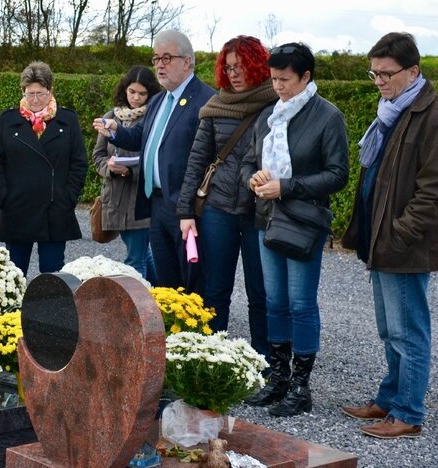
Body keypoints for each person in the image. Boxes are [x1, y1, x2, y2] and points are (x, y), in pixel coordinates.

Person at [241, 42, 348, 417]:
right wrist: (253, 178)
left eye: (284, 80)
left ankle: (301, 388)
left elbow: (338, 175)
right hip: (266, 218)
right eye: (273, 80)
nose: (278, 87)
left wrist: (286, 186)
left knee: (301, 304)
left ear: (306, 77)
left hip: (303, 223)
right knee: (274, 302)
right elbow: (247, 162)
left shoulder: (327, 116)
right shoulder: (269, 115)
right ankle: (279, 379)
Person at [341, 32, 438, 439]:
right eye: (373, 73)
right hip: (381, 239)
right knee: (387, 328)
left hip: (403, 244)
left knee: (408, 330)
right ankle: (390, 397)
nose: (378, 81)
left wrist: (401, 233)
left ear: (413, 71)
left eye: (386, 74)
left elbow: (432, 187)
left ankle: (408, 413)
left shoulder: (430, 114)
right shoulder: (392, 110)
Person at [177, 36, 277, 357]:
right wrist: (185, 211)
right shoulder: (216, 106)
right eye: (229, 67)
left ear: (257, 66)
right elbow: (196, 161)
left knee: (259, 293)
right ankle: (214, 356)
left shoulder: (274, 105)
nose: (234, 74)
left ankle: (262, 360)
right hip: (218, 208)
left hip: (257, 211)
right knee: (216, 289)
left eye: (241, 67)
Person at [94, 30, 215, 291]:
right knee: (166, 284)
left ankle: (197, 332)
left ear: (188, 61)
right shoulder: (159, 100)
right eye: (156, 58)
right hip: (156, 203)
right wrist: (115, 130)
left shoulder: (205, 100)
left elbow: (204, 158)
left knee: (193, 284)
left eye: (167, 57)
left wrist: (187, 207)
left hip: (187, 207)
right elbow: (141, 137)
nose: (159, 64)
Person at [0, 61, 88, 278]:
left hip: (54, 211)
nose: (35, 100)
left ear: (50, 91)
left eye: (41, 94)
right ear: (23, 91)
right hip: (16, 210)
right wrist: (3, 197)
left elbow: (79, 162)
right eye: (30, 93)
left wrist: (68, 197)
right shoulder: (8, 120)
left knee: (52, 280)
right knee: (13, 278)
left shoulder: (67, 120)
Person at [91, 66, 163, 283]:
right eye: (132, 92)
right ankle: (161, 296)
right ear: (125, 89)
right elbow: (98, 156)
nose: (136, 98)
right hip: (114, 198)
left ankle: (139, 310)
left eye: (142, 94)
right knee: (141, 254)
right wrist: (110, 169)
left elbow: (158, 159)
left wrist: (130, 171)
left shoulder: (153, 118)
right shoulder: (111, 116)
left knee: (135, 259)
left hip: (139, 201)